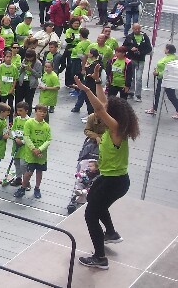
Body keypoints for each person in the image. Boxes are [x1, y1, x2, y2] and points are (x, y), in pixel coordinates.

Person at [74, 76, 140, 270]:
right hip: (111, 178)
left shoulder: (116, 130)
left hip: (115, 181)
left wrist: (86, 90)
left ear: (113, 114)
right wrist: (97, 82)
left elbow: (100, 108)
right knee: (93, 198)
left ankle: (100, 258)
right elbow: (103, 104)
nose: (103, 109)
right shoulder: (117, 127)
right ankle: (111, 233)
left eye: (107, 110)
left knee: (91, 214)